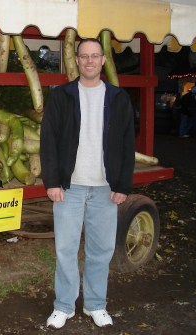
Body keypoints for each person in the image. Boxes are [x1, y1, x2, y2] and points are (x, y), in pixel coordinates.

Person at [40, 38, 135, 329]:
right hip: (69, 187)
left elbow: (126, 144)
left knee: (101, 250)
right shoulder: (62, 96)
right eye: (84, 56)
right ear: (77, 61)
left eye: (95, 56)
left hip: (105, 188)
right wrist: (53, 181)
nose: (90, 61)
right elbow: (49, 141)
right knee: (65, 249)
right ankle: (64, 306)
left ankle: (95, 304)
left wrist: (122, 185)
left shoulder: (118, 98)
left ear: (103, 60)